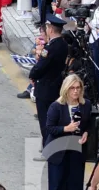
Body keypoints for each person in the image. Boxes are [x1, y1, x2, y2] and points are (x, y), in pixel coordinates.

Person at [45, 75, 92, 190]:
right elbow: (50, 128)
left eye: (78, 88)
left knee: (75, 181)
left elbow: (88, 123)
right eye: (72, 88)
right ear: (66, 89)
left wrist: (86, 132)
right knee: (58, 180)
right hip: (58, 148)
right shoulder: (56, 106)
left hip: (76, 147)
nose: (75, 91)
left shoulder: (86, 105)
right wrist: (66, 128)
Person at [29, 15, 69, 149]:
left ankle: (48, 146)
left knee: (45, 119)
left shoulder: (50, 48)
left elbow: (41, 65)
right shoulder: (63, 45)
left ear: (50, 29)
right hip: (57, 85)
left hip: (45, 87)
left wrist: (32, 74)